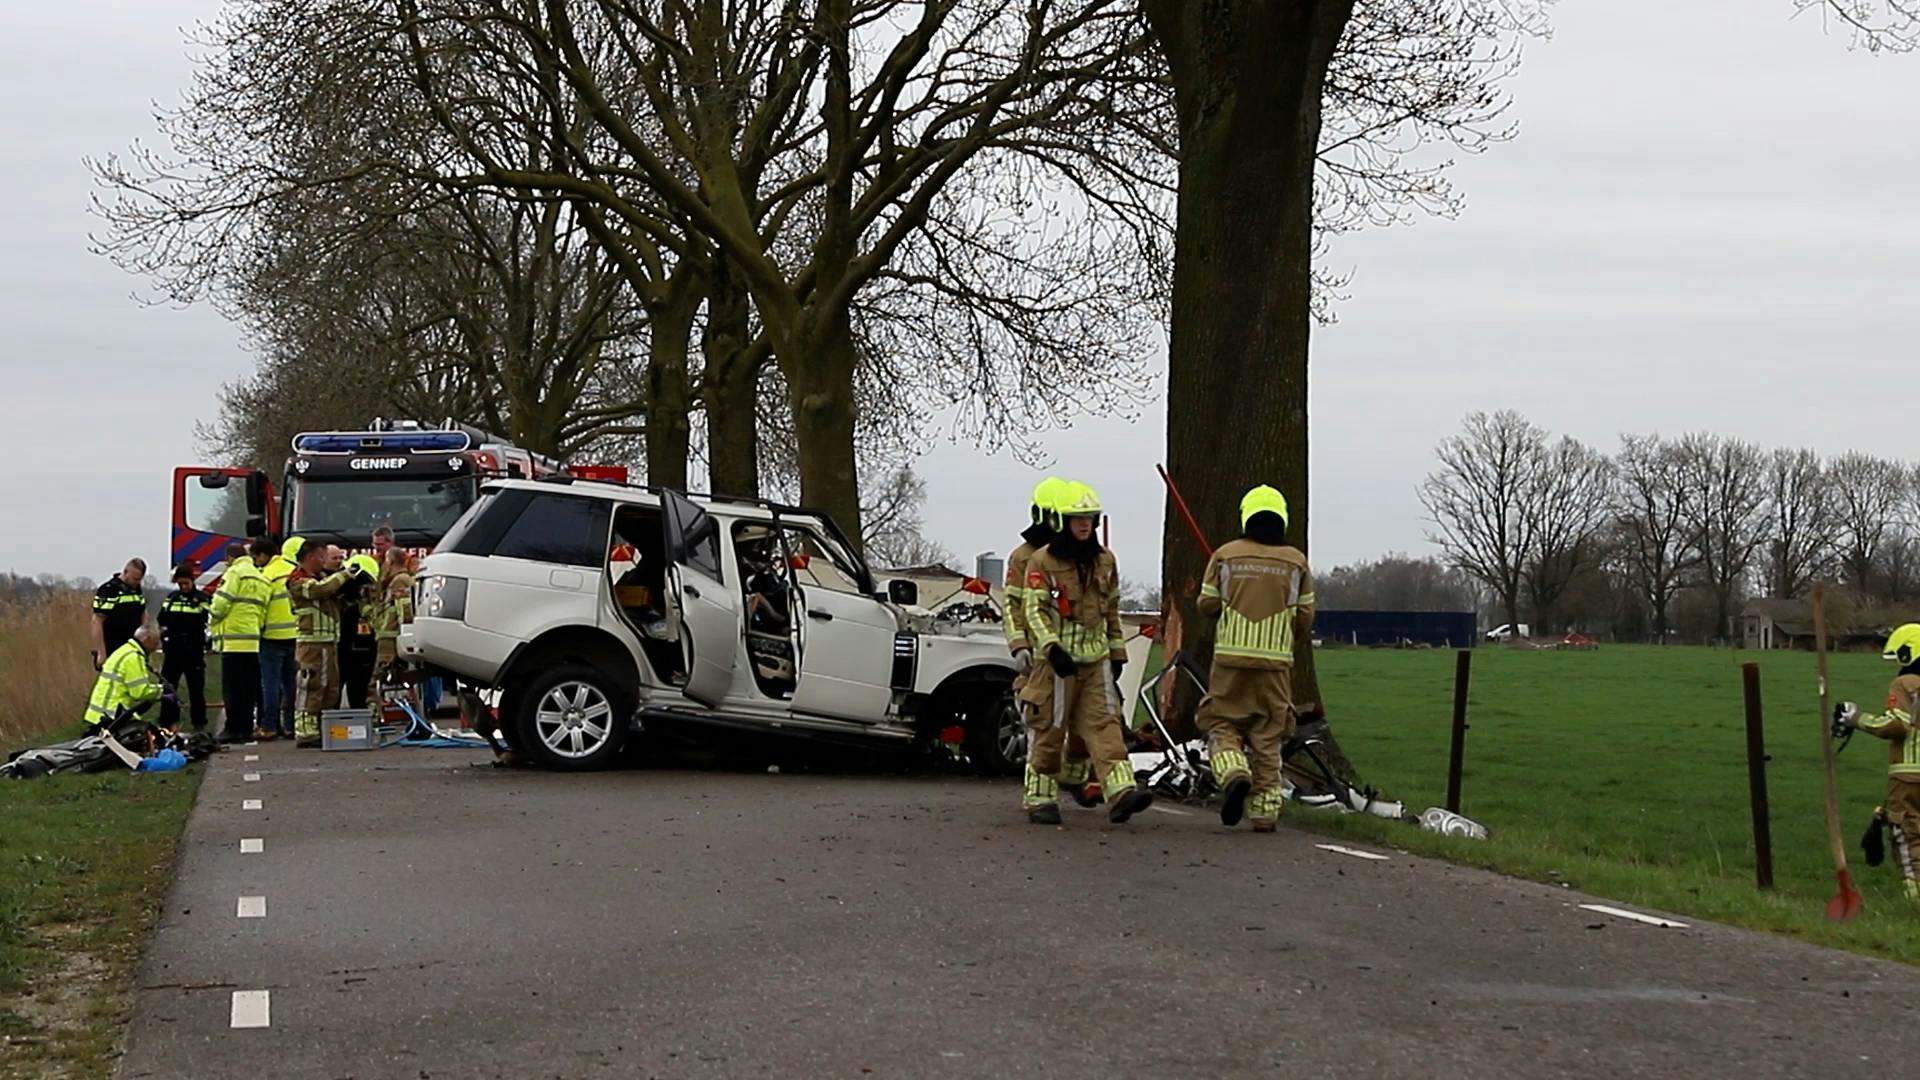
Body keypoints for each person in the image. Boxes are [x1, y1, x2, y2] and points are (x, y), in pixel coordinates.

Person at [1017, 482, 1152, 825]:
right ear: (1062, 520)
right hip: (1058, 666)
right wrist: (1050, 647)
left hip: (1096, 663)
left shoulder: (1105, 560)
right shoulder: (1040, 561)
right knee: (1050, 729)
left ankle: (1121, 792)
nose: (1085, 525)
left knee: (1106, 724)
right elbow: (1035, 610)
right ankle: (1040, 798)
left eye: (1090, 518)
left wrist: (1118, 652)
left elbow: (1112, 608)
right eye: (1078, 518)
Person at [1195, 485, 1315, 833]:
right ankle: (1264, 811)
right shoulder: (1296, 561)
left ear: (1246, 515)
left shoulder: (1224, 555)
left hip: (1230, 660)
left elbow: (1207, 604)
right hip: (1275, 664)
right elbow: (1305, 615)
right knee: (1268, 734)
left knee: (1221, 722)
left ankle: (1233, 772)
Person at [1005, 477, 1101, 808]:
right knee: (1043, 723)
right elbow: (1013, 606)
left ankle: (1075, 776)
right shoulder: (1023, 558)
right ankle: (1040, 796)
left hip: (1081, 654)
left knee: (1088, 720)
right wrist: (1020, 646)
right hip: (1041, 656)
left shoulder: (1081, 557)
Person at [1834, 623, 1920, 902]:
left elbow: (1897, 725)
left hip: (1908, 775)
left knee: (1908, 834)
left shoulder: (1905, 684)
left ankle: (1914, 898)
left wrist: (1856, 718)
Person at [288, 542, 352, 747]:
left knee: (331, 688)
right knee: (311, 685)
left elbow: (334, 598)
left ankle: (323, 727)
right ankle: (305, 731)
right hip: (311, 643)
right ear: (311, 557)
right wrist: (344, 576)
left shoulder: (322, 577)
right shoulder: (297, 580)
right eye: (322, 557)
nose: (325, 562)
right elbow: (319, 591)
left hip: (329, 641)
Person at [209, 541, 273, 744]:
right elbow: (263, 611)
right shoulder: (261, 578)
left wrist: (212, 616)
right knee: (249, 690)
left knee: (233, 690)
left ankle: (232, 729)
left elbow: (219, 605)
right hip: (252, 641)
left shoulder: (234, 573)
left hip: (233, 642)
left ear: (229, 558)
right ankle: (246, 728)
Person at [156, 564, 211, 731]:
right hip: (173, 651)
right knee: (169, 688)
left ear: (192, 581)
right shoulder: (171, 598)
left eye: (186, 583)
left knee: (196, 689)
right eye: (180, 584)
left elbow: (210, 622)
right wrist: (164, 635)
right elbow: (162, 619)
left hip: (193, 650)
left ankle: (199, 723)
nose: (183, 587)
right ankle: (167, 722)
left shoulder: (203, 599)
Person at [259, 537, 301, 738]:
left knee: (271, 684)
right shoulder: (296, 572)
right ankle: (291, 725)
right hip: (295, 633)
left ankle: (270, 726)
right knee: (292, 683)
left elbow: (260, 606)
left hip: (271, 635)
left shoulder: (268, 574)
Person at [83, 626, 162, 730]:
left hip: (99, 713)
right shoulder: (133, 658)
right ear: (146, 639)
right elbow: (139, 692)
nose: (156, 647)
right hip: (110, 716)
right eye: (155, 643)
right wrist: (162, 691)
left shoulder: (125, 650)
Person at [368, 547, 415, 706]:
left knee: (378, 679)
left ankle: (376, 714)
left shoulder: (400, 580)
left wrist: (405, 635)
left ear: (392, 561)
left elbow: (405, 611)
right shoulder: (396, 580)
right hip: (387, 636)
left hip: (391, 638)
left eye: (386, 561)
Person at [339, 553, 381, 710]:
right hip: (347, 644)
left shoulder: (367, 600)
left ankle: (363, 714)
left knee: (360, 686)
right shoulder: (341, 593)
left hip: (363, 645)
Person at [90, 558, 148, 669]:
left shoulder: (136, 590)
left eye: (140, 579)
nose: (137, 582)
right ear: (125, 572)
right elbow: (96, 621)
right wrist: (101, 652)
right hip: (113, 647)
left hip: (132, 647)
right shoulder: (109, 590)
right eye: (135, 579)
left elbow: (143, 612)